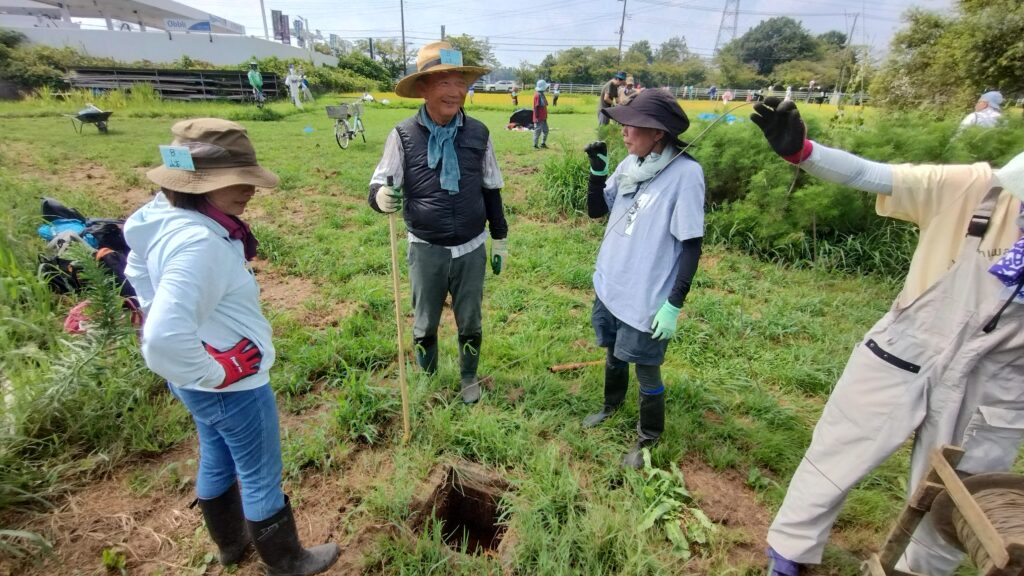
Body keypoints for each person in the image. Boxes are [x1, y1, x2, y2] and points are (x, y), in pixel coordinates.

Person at [751, 96, 1024, 576]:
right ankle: (790, 551)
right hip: (907, 349)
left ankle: (917, 571)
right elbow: (872, 175)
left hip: (997, 382)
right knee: (839, 447)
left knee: (960, 495)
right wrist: (803, 152)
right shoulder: (975, 187)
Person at [124, 119, 340, 576]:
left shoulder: (159, 216)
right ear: (198, 184)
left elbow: (138, 271)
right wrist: (216, 370)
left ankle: (230, 544)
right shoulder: (200, 244)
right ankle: (288, 561)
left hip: (193, 383)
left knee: (217, 455)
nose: (249, 189)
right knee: (260, 474)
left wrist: (189, 354)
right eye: (236, 179)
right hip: (232, 385)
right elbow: (162, 336)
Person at [367, 41, 509, 404]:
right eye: (444, 82)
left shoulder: (479, 133)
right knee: (425, 320)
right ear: (423, 88)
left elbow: (491, 188)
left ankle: (468, 377)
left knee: (470, 319)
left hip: (472, 247)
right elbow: (379, 183)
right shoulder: (403, 135)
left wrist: (500, 238)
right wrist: (380, 198)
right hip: (426, 247)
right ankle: (427, 378)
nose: (455, 91)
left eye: (460, 83)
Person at [581, 89, 705, 468]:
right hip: (612, 282)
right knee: (613, 352)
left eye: (632, 125)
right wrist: (596, 173)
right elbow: (596, 211)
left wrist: (674, 303)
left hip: (646, 294)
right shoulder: (630, 164)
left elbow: (691, 245)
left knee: (646, 369)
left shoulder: (686, 174)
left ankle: (648, 438)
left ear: (658, 133)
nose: (624, 131)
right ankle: (611, 405)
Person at [533, 79, 550, 149]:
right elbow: (536, 107)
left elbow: (545, 105)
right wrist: (536, 117)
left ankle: (543, 143)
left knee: (546, 130)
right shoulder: (537, 95)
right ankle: (535, 145)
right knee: (537, 131)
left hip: (543, 117)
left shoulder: (542, 94)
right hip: (539, 117)